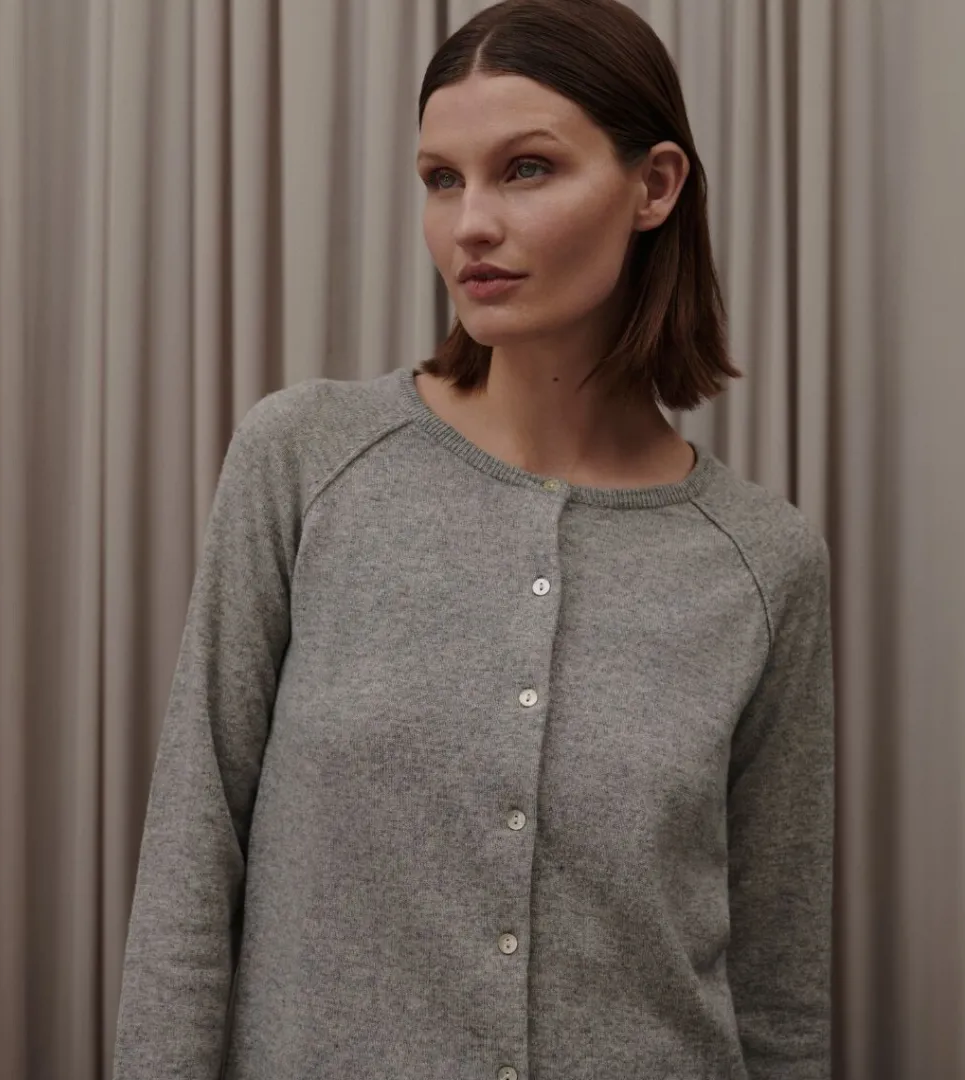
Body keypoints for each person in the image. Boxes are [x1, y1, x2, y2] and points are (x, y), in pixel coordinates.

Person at [112, 0, 835, 1077]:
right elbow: (191, 853)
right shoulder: (308, 458)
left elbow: (780, 988)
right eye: (442, 179)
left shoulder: (763, 560)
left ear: (655, 186)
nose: (470, 225)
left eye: (526, 169)